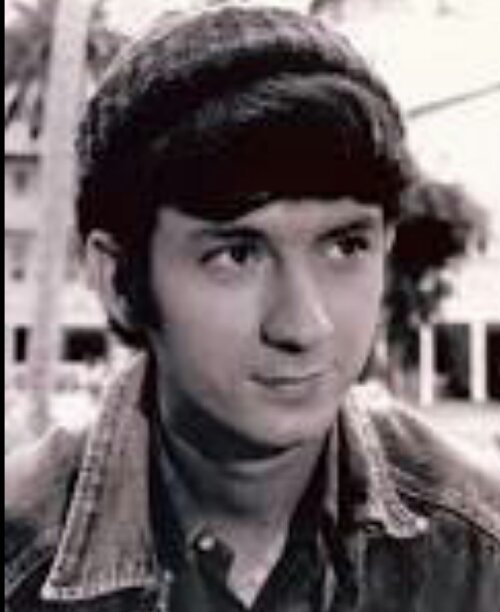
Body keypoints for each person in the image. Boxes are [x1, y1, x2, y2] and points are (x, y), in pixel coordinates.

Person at [5, 4, 500, 611]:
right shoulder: (18, 558)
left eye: (346, 246)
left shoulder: (480, 551)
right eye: (237, 255)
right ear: (120, 281)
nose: (304, 324)